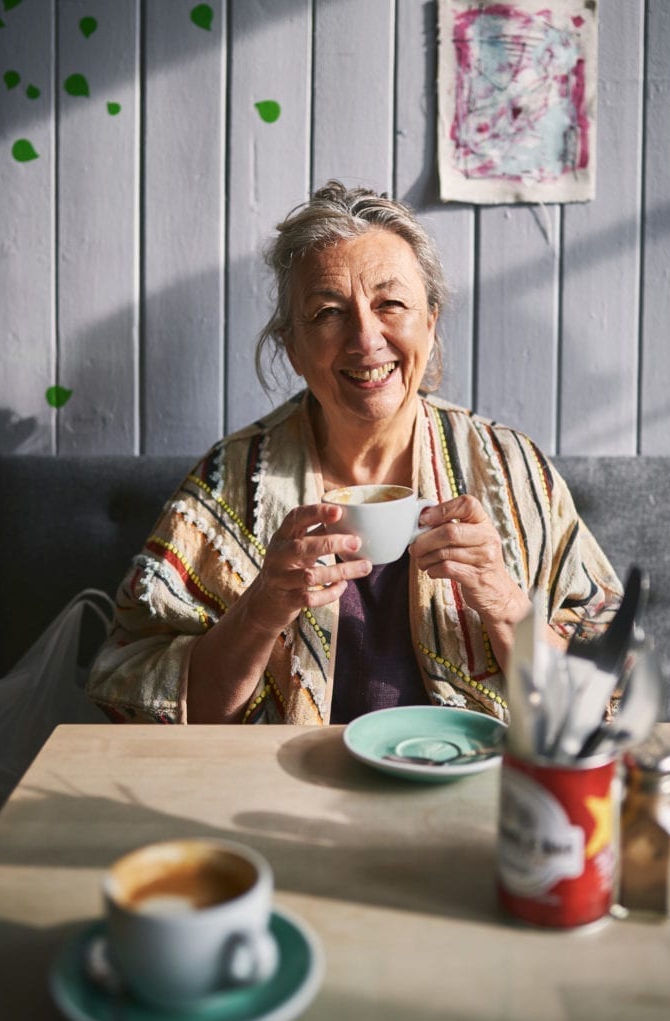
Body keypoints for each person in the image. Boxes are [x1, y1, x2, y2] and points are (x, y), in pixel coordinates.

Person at [87, 181, 621, 726]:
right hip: (286, 792)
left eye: (391, 303)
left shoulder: (511, 470)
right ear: (293, 348)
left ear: (431, 323)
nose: (366, 339)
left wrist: (506, 604)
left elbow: (602, 696)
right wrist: (260, 609)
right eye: (327, 313)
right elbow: (138, 698)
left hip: (478, 791)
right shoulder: (230, 481)